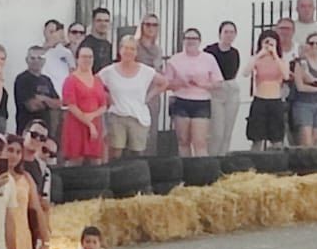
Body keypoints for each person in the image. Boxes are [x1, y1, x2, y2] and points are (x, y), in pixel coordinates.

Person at [155, 27, 224, 158]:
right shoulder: (174, 60)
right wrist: (180, 83)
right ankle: (186, 171)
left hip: (202, 102)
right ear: (183, 41)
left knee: (200, 142)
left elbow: (218, 83)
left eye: (194, 39)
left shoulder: (209, 59)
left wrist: (203, 84)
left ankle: (202, 172)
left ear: (199, 41)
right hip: (181, 101)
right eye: (188, 38)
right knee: (183, 141)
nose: (191, 41)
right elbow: (166, 83)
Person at [102, 34, 154, 159]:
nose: (128, 51)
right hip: (117, 115)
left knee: (137, 153)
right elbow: (94, 83)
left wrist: (149, 96)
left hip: (138, 117)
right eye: (125, 48)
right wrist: (107, 96)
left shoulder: (145, 71)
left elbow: (163, 82)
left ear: (136, 52)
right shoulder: (109, 71)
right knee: (116, 152)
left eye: (132, 49)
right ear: (120, 50)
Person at [288, 32, 317, 148]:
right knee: (306, 143)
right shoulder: (301, 63)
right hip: (303, 104)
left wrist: (316, 82)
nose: (314, 46)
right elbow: (301, 86)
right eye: (311, 43)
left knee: (315, 141)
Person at [61, 44, 107, 163]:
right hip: (76, 124)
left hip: (95, 125)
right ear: (77, 59)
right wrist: (89, 123)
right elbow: (71, 106)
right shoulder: (70, 80)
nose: (87, 60)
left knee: (96, 161)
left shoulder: (97, 80)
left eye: (90, 57)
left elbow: (103, 106)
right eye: (84, 57)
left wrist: (92, 117)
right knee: (75, 160)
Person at [247, 30, 289, 151]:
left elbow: (286, 75)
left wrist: (275, 54)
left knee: (276, 139)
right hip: (260, 99)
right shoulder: (257, 59)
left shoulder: (281, 60)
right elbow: (245, 72)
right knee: (256, 138)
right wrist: (260, 54)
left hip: (275, 100)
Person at [207, 22, 242, 156]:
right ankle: (213, 158)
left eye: (232, 32)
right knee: (217, 132)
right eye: (226, 32)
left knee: (228, 131)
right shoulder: (210, 51)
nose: (229, 35)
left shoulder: (235, 53)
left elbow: (234, 71)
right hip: (216, 90)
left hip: (231, 89)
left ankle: (223, 157)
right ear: (220, 33)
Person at [13, 47, 60, 141]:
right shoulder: (22, 79)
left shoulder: (47, 80)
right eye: (33, 58)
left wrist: (43, 99)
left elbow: (58, 104)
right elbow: (32, 106)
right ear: (27, 60)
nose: (36, 61)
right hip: (27, 131)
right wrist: (49, 103)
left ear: (44, 61)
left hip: (45, 132)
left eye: (39, 58)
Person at [40, 19, 75, 95]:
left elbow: (73, 72)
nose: (51, 34)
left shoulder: (66, 52)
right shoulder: (39, 52)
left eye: (53, 32)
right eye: (49, 32)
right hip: (46, 93)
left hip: (62, 93)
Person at [80, 7, 114, 73]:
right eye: (99, 20)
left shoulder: (109, 45)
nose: (103, 24)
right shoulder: (86, 45)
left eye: (106, 21)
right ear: (93, 22)